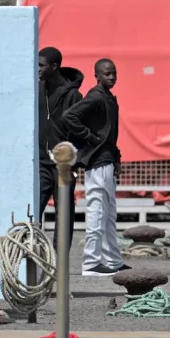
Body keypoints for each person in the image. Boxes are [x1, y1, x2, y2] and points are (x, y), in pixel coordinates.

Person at [62, 58, 131, 277]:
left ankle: (112, 260)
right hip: (98, 162)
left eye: (114, 73)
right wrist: (90, 139)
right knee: (97, 210)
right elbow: (69, 116)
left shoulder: (109, 98)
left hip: (108, 160)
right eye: (107, 74)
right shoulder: (95, 96)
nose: (112, 77)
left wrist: (116, 157)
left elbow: (110, 134)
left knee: (109, 213)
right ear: (97, 76)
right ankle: (91, 262)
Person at [38, 46, 83, 254]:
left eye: (41, 65)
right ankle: (34, 259)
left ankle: (59, 263)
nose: (37, 69)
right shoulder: (37, 88)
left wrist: (75, 163)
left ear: (54, 66)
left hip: (63, 165)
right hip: (40, 163)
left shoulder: (73, 95)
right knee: (32, 210)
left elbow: (81, 130)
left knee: (63, 214)